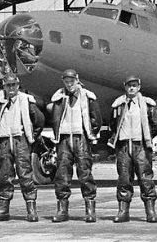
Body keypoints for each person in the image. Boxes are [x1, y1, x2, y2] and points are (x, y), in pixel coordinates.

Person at [0, 73, 45, 222]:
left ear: (18, 86)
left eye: (14, 85)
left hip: (21, 141)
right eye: (8, 85)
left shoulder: (26, 100)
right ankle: (3, 209)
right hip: (4, 141)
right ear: (4, 86)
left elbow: (38, 119)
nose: (11, 88)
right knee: (4, 176)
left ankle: (31, 209)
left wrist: (31, 136)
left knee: (25, 175)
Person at [108, 75, 157, 223]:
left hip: (141, 146)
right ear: (125, 87)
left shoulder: (147, 104)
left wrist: (147, 136)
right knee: (124, 179)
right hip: (124, 146)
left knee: (146, 179)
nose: (131, 88)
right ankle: (123, 211)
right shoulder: (119, 105)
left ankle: (150, 211)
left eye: (134, 85)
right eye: (129, 85)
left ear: (139, 87)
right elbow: (113, 123)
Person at [50, 68, 102, 223]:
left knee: (85, 174)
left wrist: (90, 133)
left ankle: (90, 210)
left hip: (81, 139)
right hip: (65, 140)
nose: (69, 84)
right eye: (66, 82)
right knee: (62, 175)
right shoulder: (59, 97)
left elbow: (96, 118)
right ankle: (62, 210)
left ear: (77, 80)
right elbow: (54, 117)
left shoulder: (87, 96)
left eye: (72, 81)